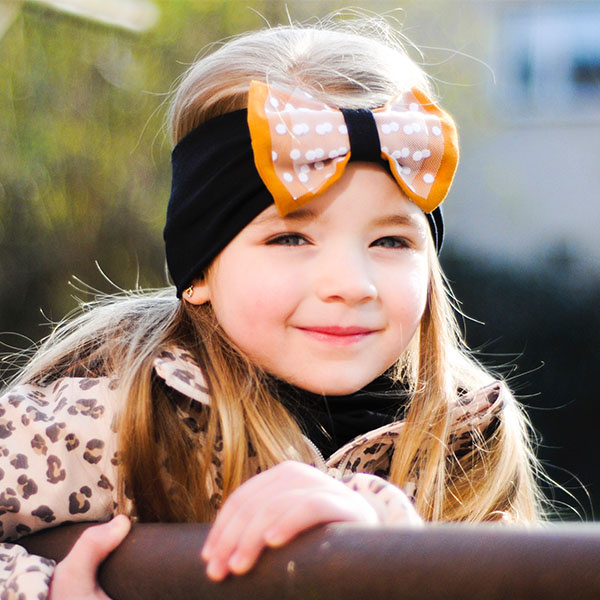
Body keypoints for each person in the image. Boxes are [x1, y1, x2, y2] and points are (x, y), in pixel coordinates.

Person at [0, 16, 543, 599]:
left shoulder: (466, 442)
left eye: (391, 240)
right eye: (290, 238)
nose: (351, 285)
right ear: (199, 269)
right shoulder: (114, 419)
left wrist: (401, 563)